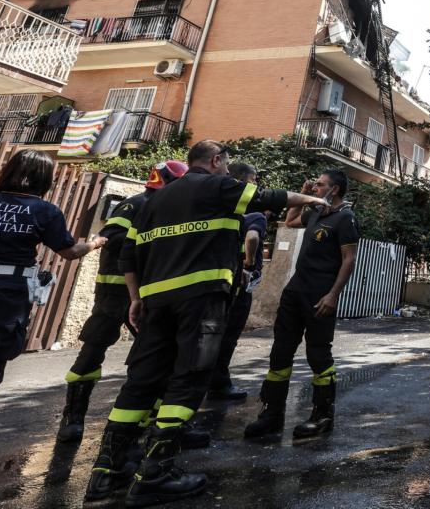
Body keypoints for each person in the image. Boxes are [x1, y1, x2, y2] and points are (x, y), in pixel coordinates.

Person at [85, 140, 326, 505]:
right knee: (188, 379)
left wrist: (135, 298)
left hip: (154, 302)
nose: (228, 172)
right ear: (215, 162)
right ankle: (155, 472)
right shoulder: (216, 186)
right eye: (226, 166)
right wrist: (311, 200)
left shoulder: (156, 200)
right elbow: (267, 197)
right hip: (200, 300)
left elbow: (129, 255)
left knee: (142, 380)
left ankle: (107, 471)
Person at [56, 161, 188, 443]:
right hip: (114, 294)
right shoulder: (135, 204)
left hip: (147, 295)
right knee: (93, 350)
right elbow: (114, 237)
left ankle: (148, 417)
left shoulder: (167, 208)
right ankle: (74, 415)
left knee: (153, 354)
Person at [0, 150, 104, 445]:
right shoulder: (44, 211)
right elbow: (69, 251)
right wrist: (94, 243)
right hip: (4, 298)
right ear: (44, 179)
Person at [244, 169, 358, 440]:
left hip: (320, 296)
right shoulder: (316, 211)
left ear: (336, 190)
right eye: (315, 185)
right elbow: (291, 220)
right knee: (280, 352)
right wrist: (304, 193)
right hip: (295, 292)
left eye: (320, 185)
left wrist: (333, 295)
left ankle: (322, 415)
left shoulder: (345, 218)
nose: (316, 188)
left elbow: (349, 260)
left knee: (318, 355)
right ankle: (272, 414)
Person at [206, 161, 269, 401]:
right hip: (239, 286)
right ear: (242, 181)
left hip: (215, 282)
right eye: (253, 180)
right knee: (229, 335)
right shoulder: (255, 216)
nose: (256, 185)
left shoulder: (220, 210)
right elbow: (252, 237)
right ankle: (219, 383)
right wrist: (249, 265)